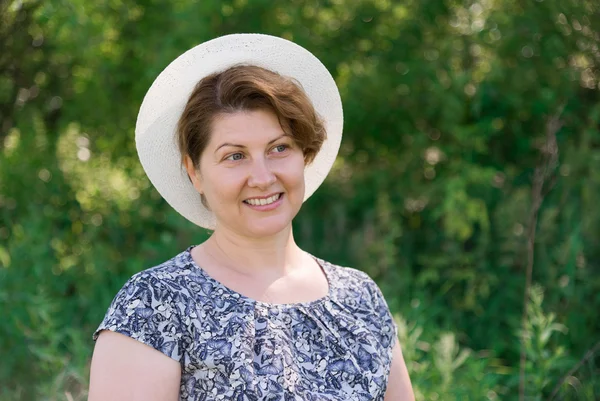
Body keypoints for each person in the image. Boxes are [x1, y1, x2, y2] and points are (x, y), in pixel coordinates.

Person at [88, 33, 414, 401]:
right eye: (235, 156)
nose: (262, 177)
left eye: (279, 148)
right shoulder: (154, 305)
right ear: (195, 172)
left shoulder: (361, 297)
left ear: (304, 155)